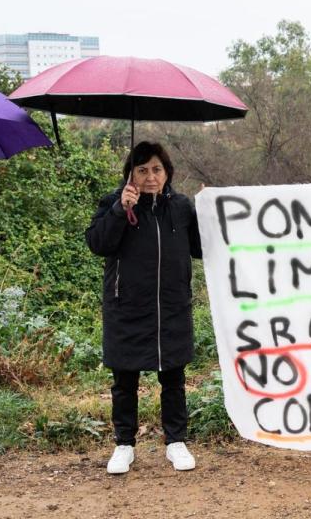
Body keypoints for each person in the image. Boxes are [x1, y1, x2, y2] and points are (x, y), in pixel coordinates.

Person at [86, 141, 202, 475]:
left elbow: (200, 248)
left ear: (167, 173)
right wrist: (120, 210)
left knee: (174, 377)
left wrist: (210, 209)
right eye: (142, 170)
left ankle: (176, 441)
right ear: (130, 174)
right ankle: (124, 444)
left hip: (172, 306)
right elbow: (98, 243)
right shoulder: (113, 202)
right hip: (127, 307)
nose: (150, 177)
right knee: (124, 381)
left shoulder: (181, 207)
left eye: (156, 169)